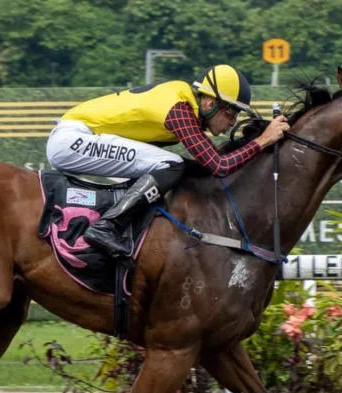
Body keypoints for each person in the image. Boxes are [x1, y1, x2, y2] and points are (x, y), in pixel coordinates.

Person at [45, 64, 291, 259]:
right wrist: (263, 141)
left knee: (178, 166)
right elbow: (219, 166)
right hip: (73, 140)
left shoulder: (185, 104)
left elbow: (206, 166)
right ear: (210, 102)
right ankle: (107, 227)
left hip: (78, 138)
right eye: (231, 112)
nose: (232, 121)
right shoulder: (179, 108)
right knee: (172, 164)